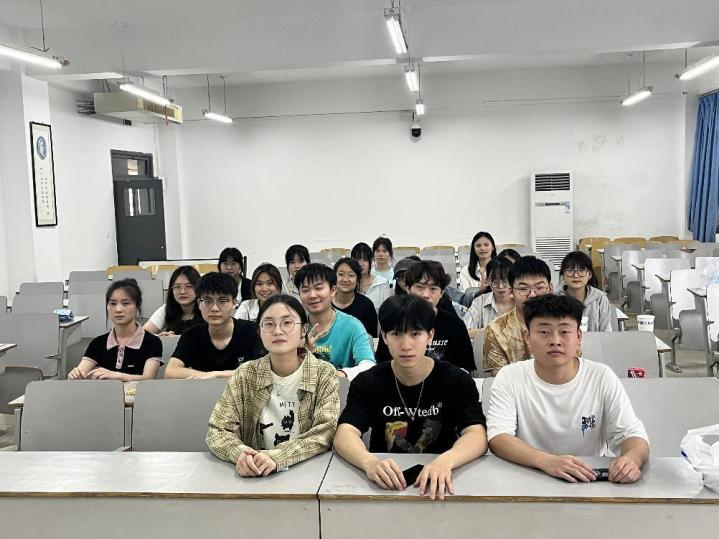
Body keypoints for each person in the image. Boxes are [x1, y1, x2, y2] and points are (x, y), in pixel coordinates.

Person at [333, 294, 488, 500]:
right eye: (397, 334)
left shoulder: (456, 380)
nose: (406, 345)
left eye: (415, 333)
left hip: (442, 482)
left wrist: (446, 461)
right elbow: (345, 433)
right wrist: (368, 462)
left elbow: (477, 434)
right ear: (384, 337)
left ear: (430, 335)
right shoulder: (368, 382)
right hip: (384, 484)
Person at [487, 294, 649, 484]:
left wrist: (631, 460)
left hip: (588, 480)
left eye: (564, 331)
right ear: (527, 337)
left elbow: (632, 435)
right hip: (528, 478)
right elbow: (499, 437)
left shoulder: (601, 376)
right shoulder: (510, 377)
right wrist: (545, 461)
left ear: (579, 336)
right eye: (544, 332)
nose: (555, 341)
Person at [206, 294, 340, 476]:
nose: (277, 331)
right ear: (259, 332)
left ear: (304, 330)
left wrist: (278, 457)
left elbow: (325, 432)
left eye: (287, 323)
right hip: (255, 475)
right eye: (269, 324)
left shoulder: (323, 373)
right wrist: (241, 455)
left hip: (307, 474)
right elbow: (217, 430)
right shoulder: (245, 375)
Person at [375, 260, 475, 371]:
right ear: (408, 289)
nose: (425, 295)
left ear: (442, 293)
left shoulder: (455, 325)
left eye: (433, 289)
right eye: (419, 287)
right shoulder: (393, 322)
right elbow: (382, 365)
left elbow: (465, 367)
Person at [164, 272, 266, 379]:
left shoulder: (251, 331)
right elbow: (170, 372)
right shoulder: (191, 335)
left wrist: (216, 375)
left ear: (234, 303)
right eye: (207, 301)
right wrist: (205, 376)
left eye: (222, 301)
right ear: (199, 304)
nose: (214, 308)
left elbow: (262, 371)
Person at [69, 279, 162, 381]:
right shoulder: (97, 343)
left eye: (125, 303)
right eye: (113, 303)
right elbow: (81, 373)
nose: (118, 309)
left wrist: (116, 376)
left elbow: (148, 379)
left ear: (137, 306)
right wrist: (75, 376)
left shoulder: (152, 342)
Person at [295, 263, 375, 380]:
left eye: (318, 288)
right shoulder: (294, 328)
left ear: (333, 290)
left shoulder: (353, 326)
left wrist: (340, 374)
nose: (312, 295)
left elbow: (368, 365)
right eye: (305, 290)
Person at [483, 256, 554, 376]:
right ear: (511, 291)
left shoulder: (564, 326)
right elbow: (502, 380)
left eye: (539, 288)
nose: (532, 294)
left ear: (550, 289)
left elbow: (569, 372)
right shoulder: (496, 330)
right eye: (523, 288)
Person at [557, 251, 612, 332]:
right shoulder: (555, 299)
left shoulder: (600, 299)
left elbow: (606, 332)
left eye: (581, 270)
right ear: (563, 275)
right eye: (570, 270)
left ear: (590, 275)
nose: (576, 275)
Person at [463, 257, 515, 338]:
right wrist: (490, 331)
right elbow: (464, 332)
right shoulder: (479, 302)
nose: (500, 286)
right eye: (495, 282)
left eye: (505, 281)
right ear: (487, 280)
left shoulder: (521, 301)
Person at [144, 266, 203, 336]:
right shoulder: (166, 309)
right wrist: (159, 337)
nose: (182, 292)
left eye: (188, 286)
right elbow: (142, 335)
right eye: (177, 287)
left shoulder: (206, 308)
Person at [333, 257, 378, 338]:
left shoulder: (366, 305)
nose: (345, 279)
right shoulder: (325, 303)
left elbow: (371, 337)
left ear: (357, 280)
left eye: (351, 275)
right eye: (340, 274)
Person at [351, 242, 390, 311]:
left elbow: (388, 311)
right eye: (358, 260)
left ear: (370, 261)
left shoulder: (382, 283)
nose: (361, 264)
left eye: (365, 260)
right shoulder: (348, 284)